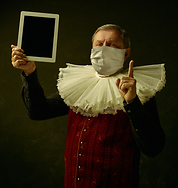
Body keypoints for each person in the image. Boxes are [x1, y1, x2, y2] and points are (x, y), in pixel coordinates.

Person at [11, 24, 165, 188]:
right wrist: (29, 72)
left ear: (126, 53)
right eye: (99, 44)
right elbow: (38, 111)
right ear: (92, 50)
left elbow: (153, 147)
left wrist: (133, 103)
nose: (104, 49)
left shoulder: (139, 90)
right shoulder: (79, 85)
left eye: (112, 44)